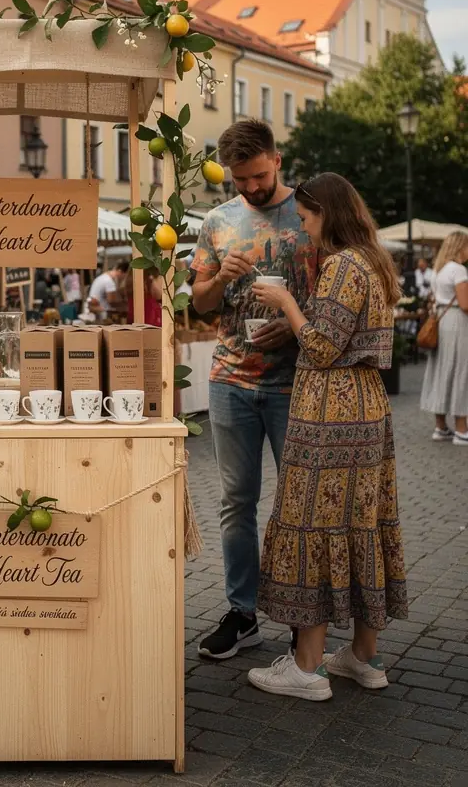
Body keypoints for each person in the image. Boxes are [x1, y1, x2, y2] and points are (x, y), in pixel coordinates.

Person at [246, 173, 407, 700]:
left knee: (313, 520)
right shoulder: (374, 261)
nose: (305, 227)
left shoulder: (341, 265)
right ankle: (364, 656)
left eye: (309, 217)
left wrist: (288, 304)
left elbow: (320, 347)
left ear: (327, 213)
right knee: (363, 521)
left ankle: (307, 667)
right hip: (367, 407)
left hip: (330, 411)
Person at [191, 119, 319, 660]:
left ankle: (300, 619)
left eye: (258, 176)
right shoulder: (217, 221)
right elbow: (197, 303)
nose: (248, 188)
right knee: (235, 502)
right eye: (239, 180)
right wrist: (220, 280)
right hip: (231, 382)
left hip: (296, 383)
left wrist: (292, 322)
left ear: (278, 159)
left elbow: (338, 297)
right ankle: (243, 612)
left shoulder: (313, 214)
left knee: (298, 505)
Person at [420, 231, 468, 445]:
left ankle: (441, 427)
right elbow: (465, 304)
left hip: (441, 321)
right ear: (460, 247)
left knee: (441, 370)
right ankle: (461, 429)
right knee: (461, 371)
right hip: (457, 322)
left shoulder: (438, 271)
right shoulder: (458, 270)